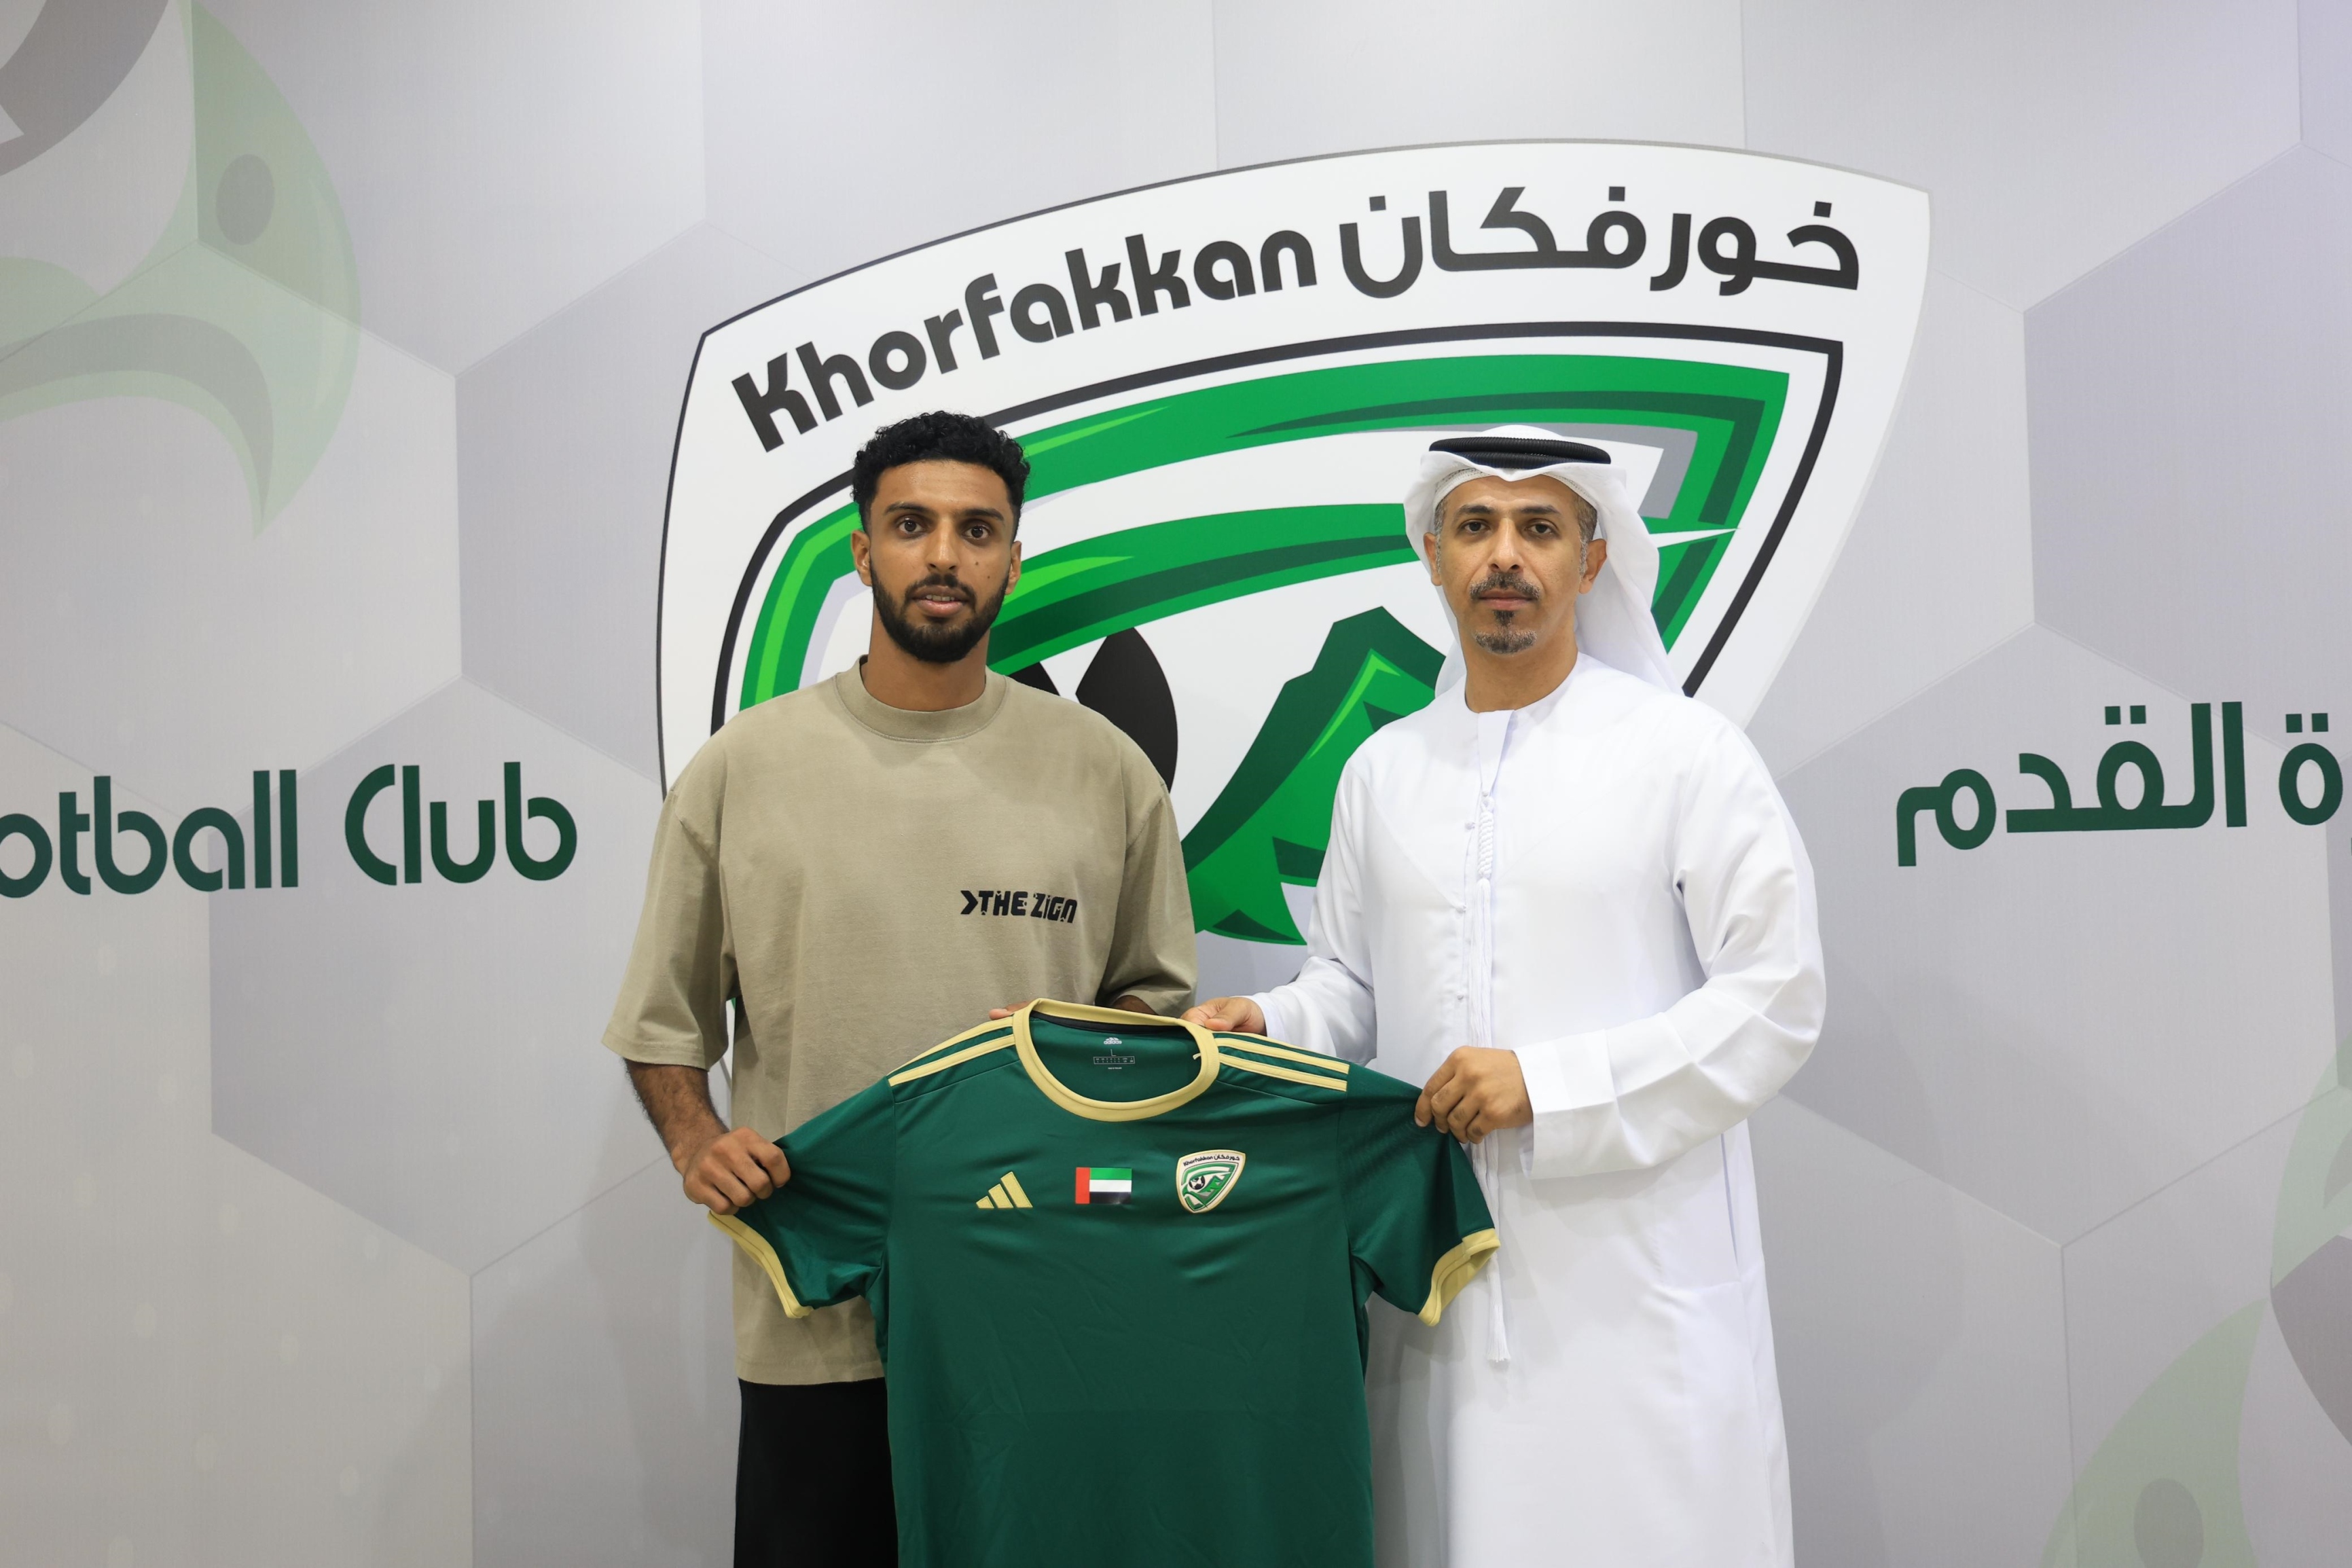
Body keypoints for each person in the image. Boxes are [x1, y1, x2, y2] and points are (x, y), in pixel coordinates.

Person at [1186, 426, 1824, 1566]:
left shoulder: (1686, 753)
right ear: (1434, 556)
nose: (1505, 556)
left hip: (1635, 1280)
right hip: (1443, 1279)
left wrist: (1549, 1084)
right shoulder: (1384, 770)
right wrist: (1267, 1022)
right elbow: (1352, 987)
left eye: (1540, 528)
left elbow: (1776, 995)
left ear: (1592, 559)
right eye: (1476, 526)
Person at [603, 411, 1196, 1567]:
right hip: (819, 1315)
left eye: (977, 530)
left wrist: (1078, 1044)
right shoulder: (744, 768)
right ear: (862, 550)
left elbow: (1158, 1012)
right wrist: (695, 1142)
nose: (943, 555)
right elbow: (662, 1022)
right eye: (912, 524)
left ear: (1013, 557)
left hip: (1046, 1307)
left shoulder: (1105, 770)